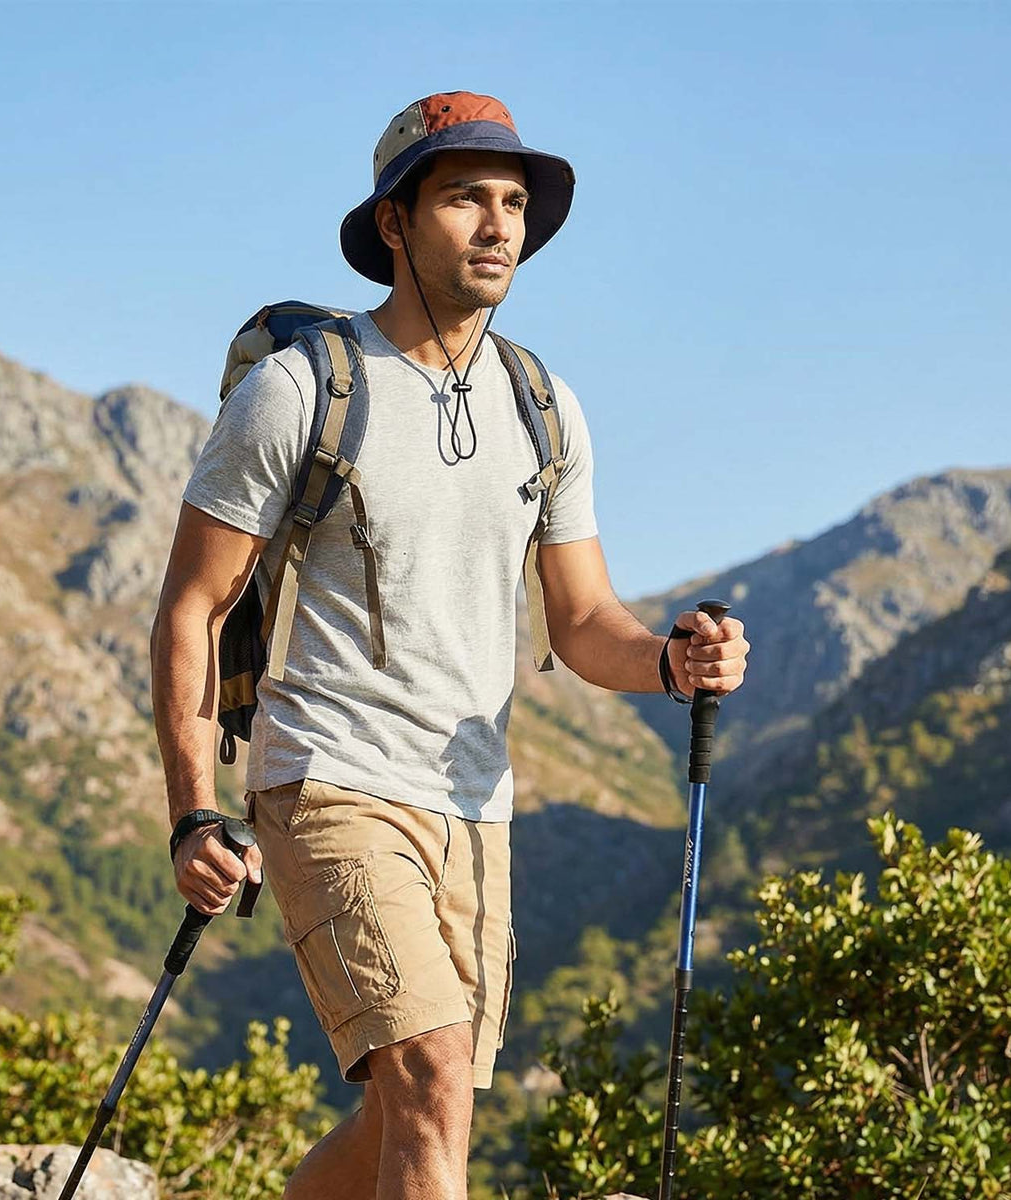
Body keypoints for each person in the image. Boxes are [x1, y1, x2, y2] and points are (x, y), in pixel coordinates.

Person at [150, 91, 750, 1200]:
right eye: (465, 196)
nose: (498, 224)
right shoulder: (301, 391)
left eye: (514, 202)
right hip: (329, 781)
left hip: (474, 804)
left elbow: (583, 624)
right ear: (394, 222)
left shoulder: (544, 406)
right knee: (427, 1077)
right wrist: (194, 806)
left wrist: (669, 661)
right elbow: (194, 603)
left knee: (418, 1115)